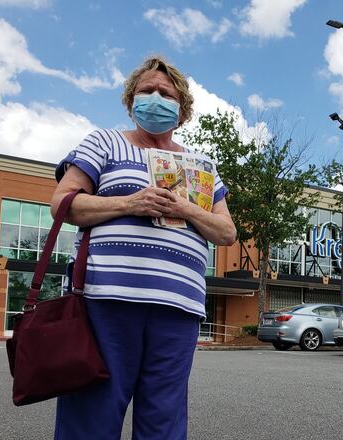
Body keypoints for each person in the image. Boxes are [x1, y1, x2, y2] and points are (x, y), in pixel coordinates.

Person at [50, 56, 236, 439]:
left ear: (182, 109)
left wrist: (184, 207)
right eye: (146, 91)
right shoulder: (105, 142)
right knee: (91, 415)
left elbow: (226, 232)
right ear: (130, 100)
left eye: (166, 94)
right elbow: (63, 203)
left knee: (163, 422)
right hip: (105, 300)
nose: (155, 98)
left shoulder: (201, 165)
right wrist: (129, 203)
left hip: (178, 308)